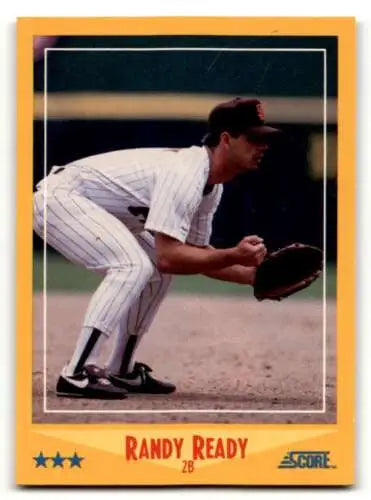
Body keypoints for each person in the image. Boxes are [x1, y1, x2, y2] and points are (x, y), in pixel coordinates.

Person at [33, 97, 280, 399]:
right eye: (255, 139)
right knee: (133, 265)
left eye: (265, 139)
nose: (263, 146)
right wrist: (234, 255)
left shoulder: (211, 186)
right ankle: (77, 373)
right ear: (226, 139)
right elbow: (169, 256)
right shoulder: (186, 174)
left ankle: (121, 369)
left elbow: (194, 255)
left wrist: (253, 276)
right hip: (61, 198)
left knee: (153, 270)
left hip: (94, 207)